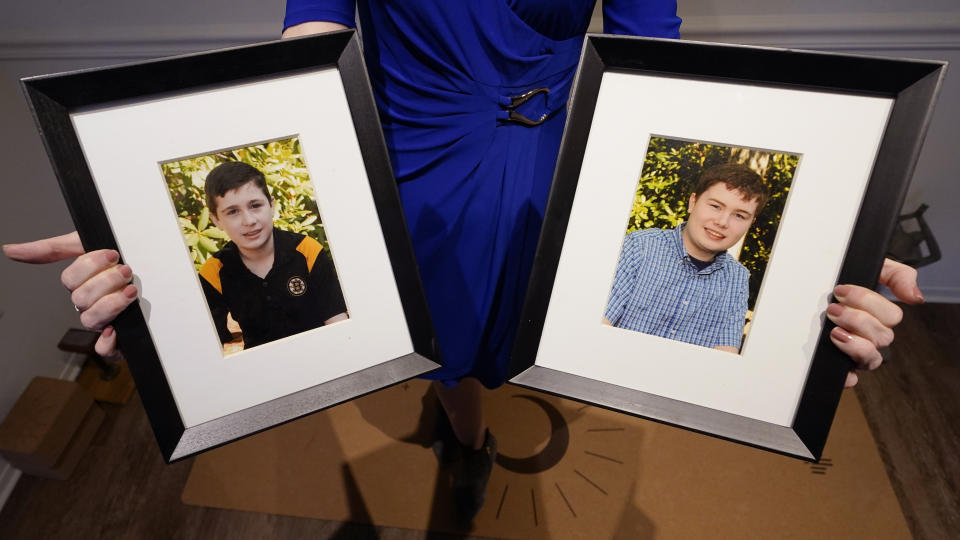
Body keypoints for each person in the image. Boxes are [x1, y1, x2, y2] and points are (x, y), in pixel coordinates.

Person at [1, 0, 924, 523]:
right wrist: (152, 221)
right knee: (444, 337)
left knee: (548, 321)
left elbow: (656, 63)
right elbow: (305, 51)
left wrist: (825, 237)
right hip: (405, 162)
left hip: (564, 159)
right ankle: (467, 437)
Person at [604, 164, 767, 353]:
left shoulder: (737, 279)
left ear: (751, 223)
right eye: (715, 206)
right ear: (693, 202)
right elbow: (601, 322)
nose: (722, 222)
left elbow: (724, 357)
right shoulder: (639, 247)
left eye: (739, 215)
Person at [195, 161, 348, 350]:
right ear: (216, 220)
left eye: (255, 205)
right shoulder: (214, 273)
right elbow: (206, 348)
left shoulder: (307, 251)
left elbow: (338, 322)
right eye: (233, 211)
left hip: (326, 354)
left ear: (271, 206)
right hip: (262, 372)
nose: (249, 220)